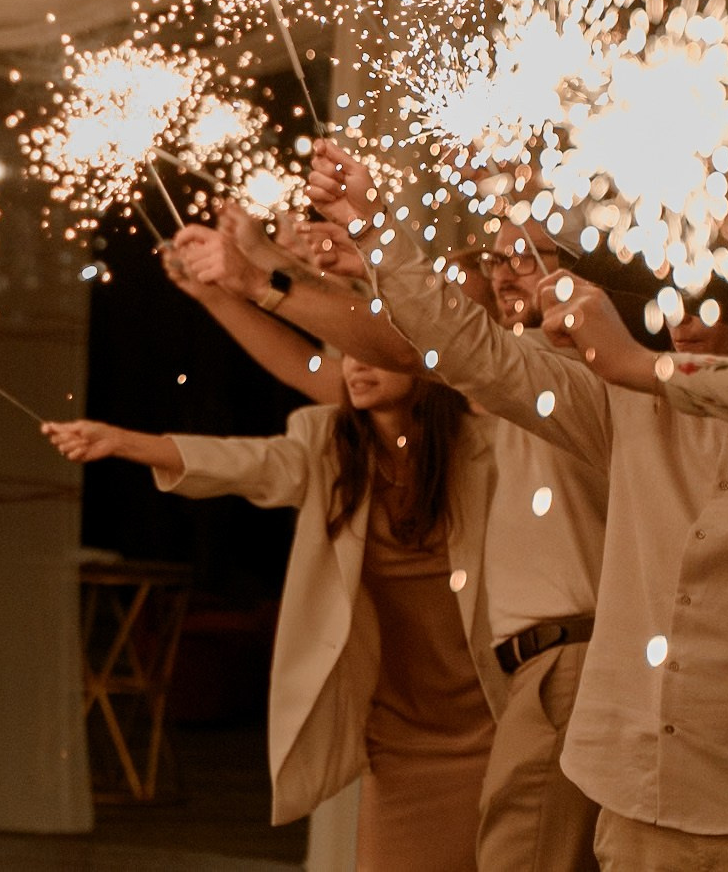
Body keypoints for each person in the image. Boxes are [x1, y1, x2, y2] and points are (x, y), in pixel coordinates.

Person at [306, 142, 728, 868]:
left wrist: (643, 364)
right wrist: (380, 233)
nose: (681, 310)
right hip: (631, 789)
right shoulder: (627, 404)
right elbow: (476, 353)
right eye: (671, 284)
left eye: (713, 290)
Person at [175, 206, 609, 872]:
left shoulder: (535, 378)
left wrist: (265, 275)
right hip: (494, 687)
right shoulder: (484, 394)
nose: (505, 275)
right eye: (498, 260)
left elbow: (399, 346)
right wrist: (246, 279)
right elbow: (352, 355)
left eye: (530, 257)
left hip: (549, 669)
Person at [44, 342, 500, 869]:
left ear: (425, 359)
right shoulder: (327, 442)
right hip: (398, 730)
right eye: (349, 352)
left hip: (492, 719)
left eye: (373, 351)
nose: (356, 364)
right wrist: (123, 442)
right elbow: (247, 463)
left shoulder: (482, 444)